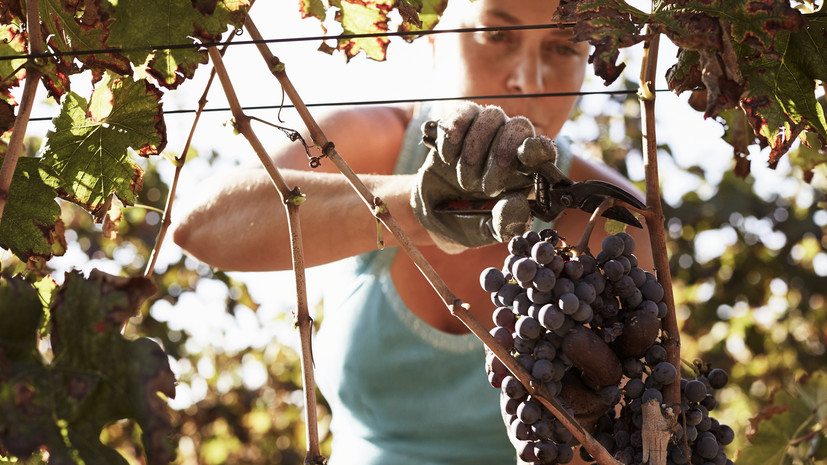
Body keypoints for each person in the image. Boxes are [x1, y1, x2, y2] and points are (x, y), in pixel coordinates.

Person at [172, 0, 653, 463]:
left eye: (562, 48)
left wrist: (589, 436)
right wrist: (416, 208)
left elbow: (631, 441)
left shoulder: (612, 220)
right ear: (434, 36)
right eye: (496, 34)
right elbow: (200, 226)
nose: (526, 79)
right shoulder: (366, 147)